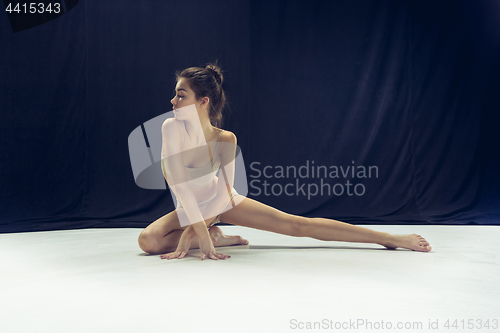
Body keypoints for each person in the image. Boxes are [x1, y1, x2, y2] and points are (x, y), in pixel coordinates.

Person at [138, 63, 432, 261]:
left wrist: (198, 228)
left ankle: (389, 238)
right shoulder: (170, 129)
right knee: (148, 242)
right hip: (190, 205)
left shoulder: (226, 139)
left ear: (203, 101)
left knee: (296, 225)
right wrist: (201, 233)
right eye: (175, 94)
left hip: (220, 200)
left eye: (181, 95)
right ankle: (218, 237)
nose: (173, 101)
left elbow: (223, 192)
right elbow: (179, 186)